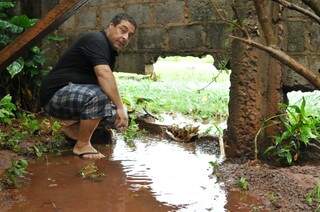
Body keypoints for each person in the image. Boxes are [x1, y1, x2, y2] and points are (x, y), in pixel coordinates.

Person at [39, 13, 137, 159]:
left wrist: (118, 110)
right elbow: (103, 74)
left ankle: (72, 129)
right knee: (100, 97)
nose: (125, 37)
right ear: (110, 26)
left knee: (113, 115)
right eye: (123, 30)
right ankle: (82, 145)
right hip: (54, 95)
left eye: (130, 35)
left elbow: (103, 84)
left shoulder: (109, 52)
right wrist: (120, 107)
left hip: (72, 94)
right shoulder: (96, 40)